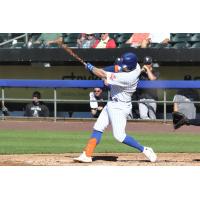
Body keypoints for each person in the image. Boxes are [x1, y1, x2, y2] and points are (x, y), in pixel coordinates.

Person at [74, 52, 157, 163]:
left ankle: (145, 149)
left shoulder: (127, 77)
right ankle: (87, 154)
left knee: (119, 136)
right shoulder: (135, 66)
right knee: (98, 127)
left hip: (120, 107)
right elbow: (115, 68)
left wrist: (92, 68)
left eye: (124, 65)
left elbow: (103, 75)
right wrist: (96, 69)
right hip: (112, 103)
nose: (122, 66)